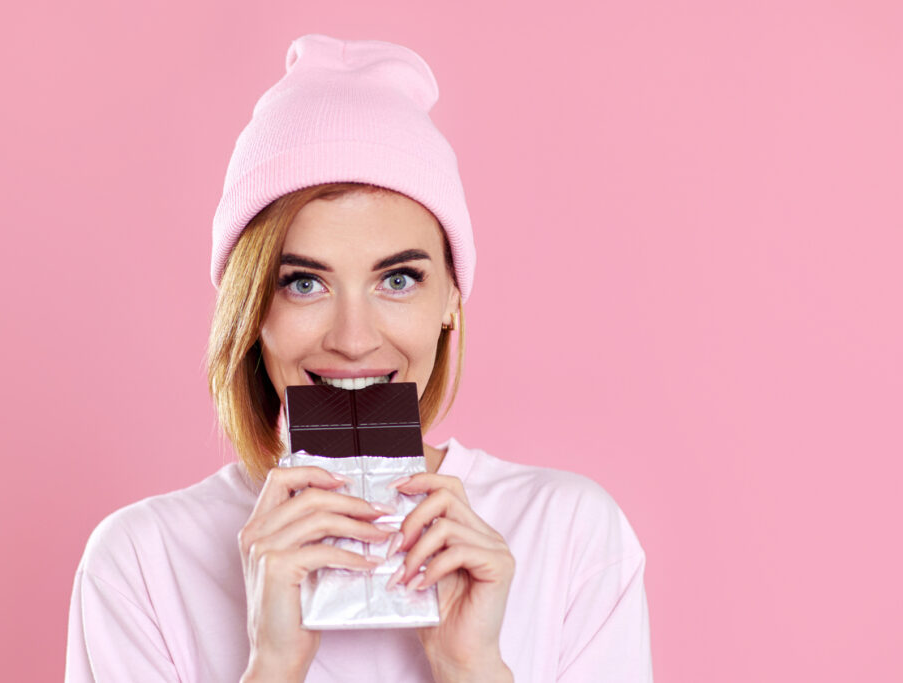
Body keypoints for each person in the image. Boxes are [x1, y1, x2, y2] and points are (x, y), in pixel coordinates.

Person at [65, 34, 652, 682]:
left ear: (451, 298)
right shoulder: (142, 563)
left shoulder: (569, 535)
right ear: (253, 309)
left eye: (397, 279)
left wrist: (473, 667)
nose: (352, 337)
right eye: (303, 281)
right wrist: (272, 664)